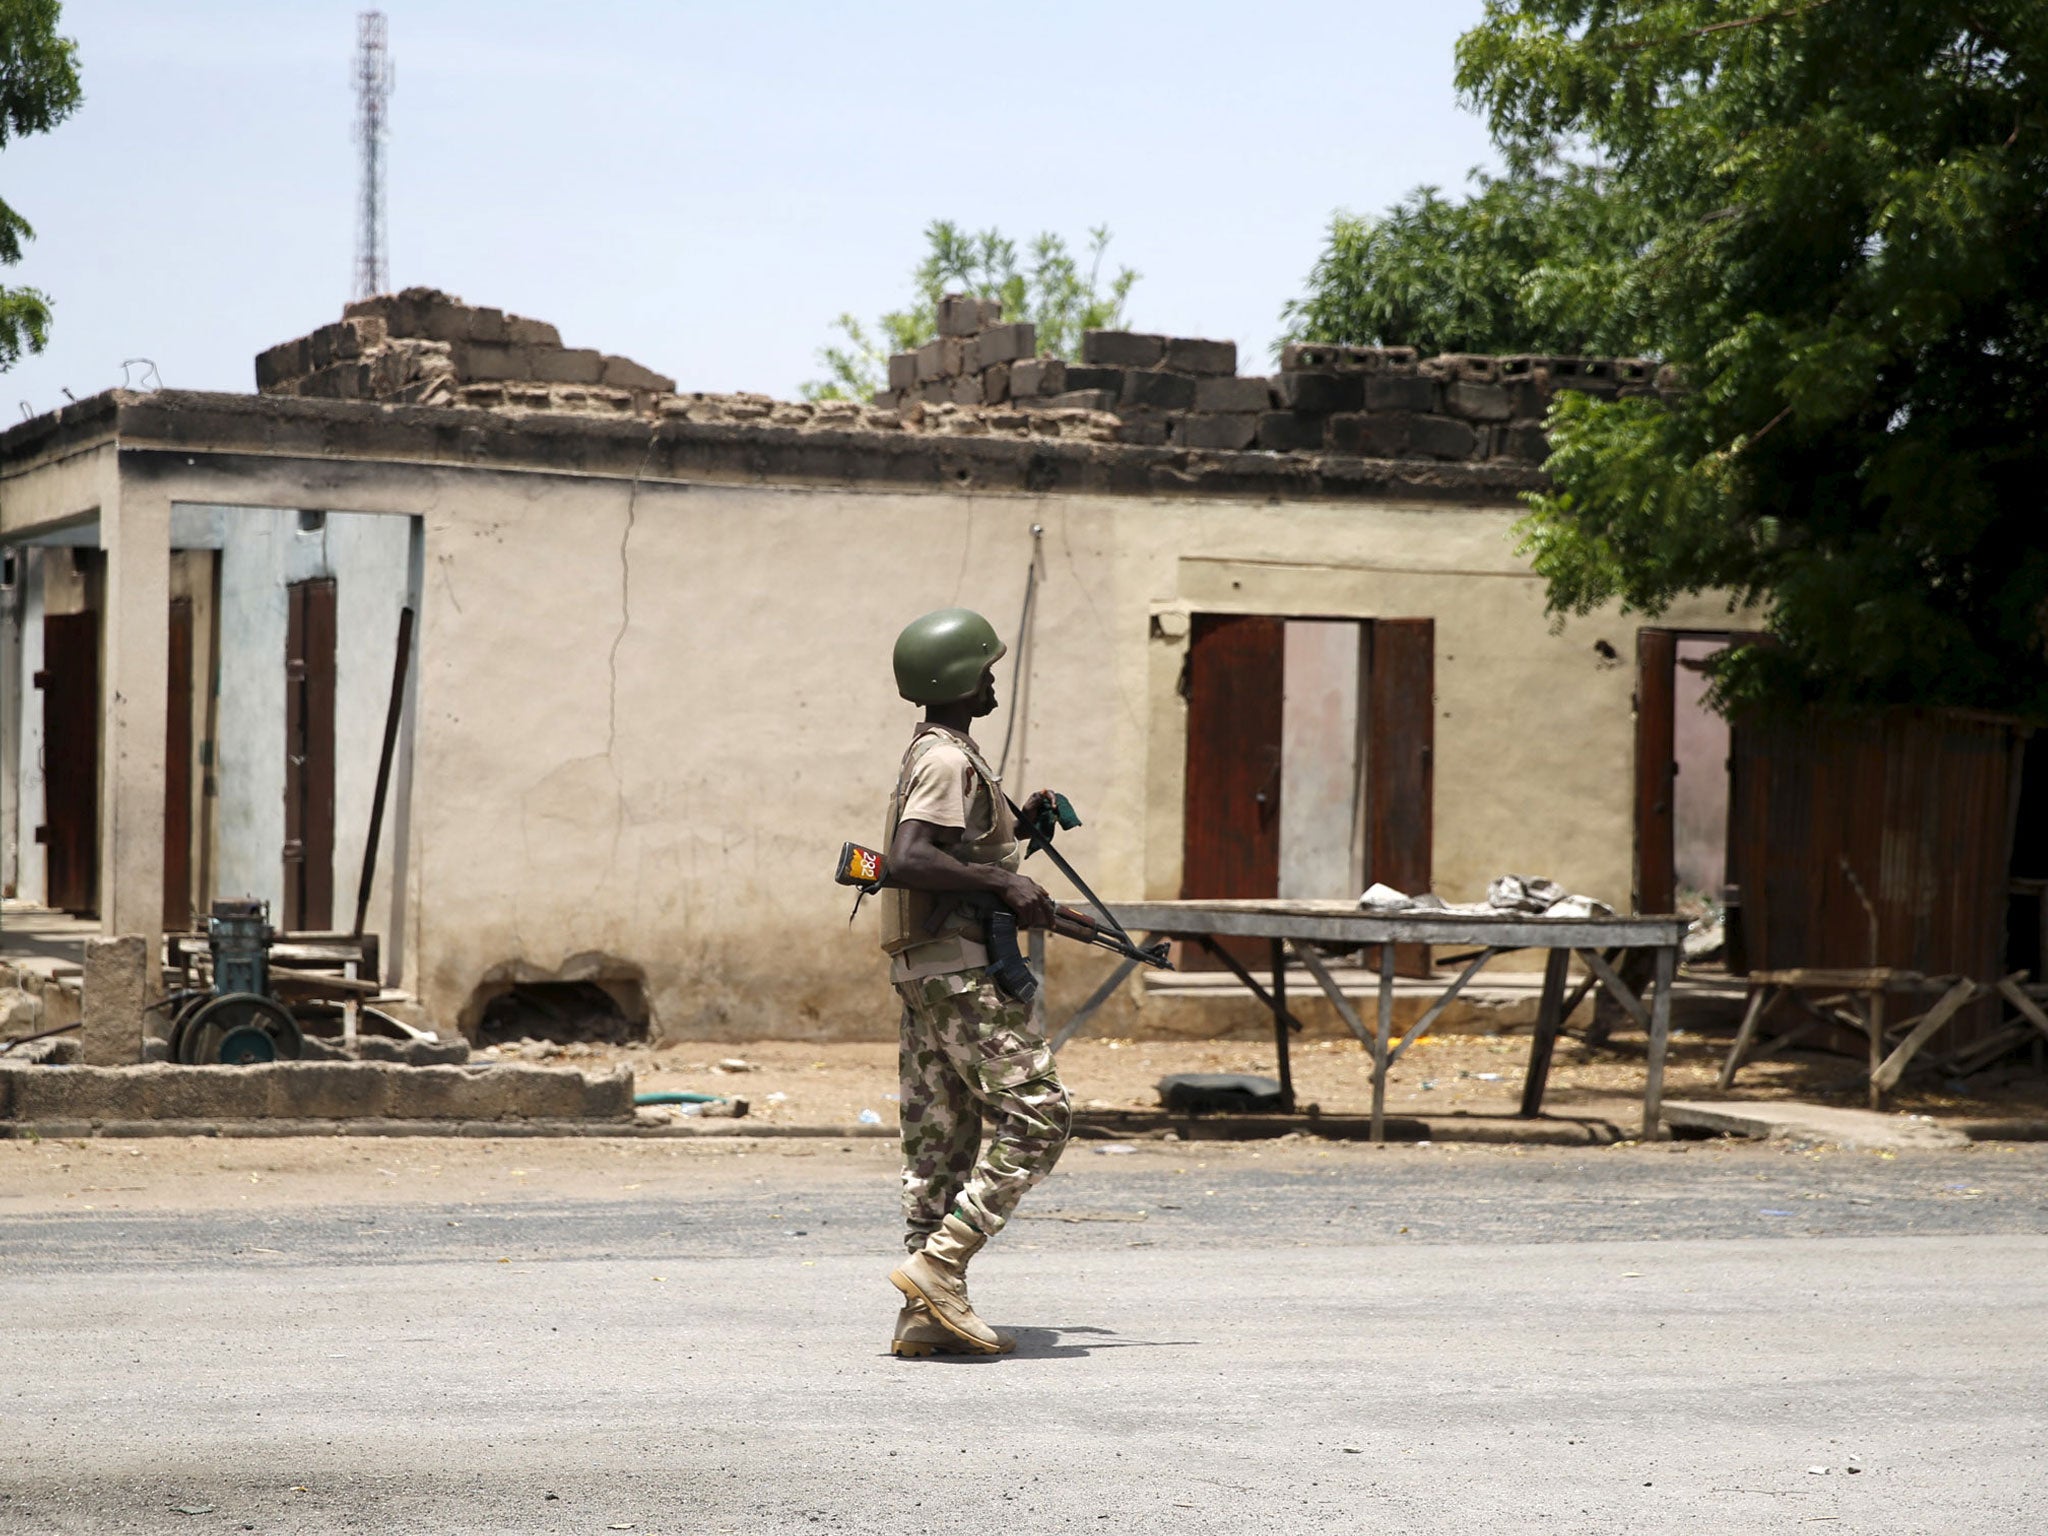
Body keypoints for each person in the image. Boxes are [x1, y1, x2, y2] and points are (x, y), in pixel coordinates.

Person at [878, 606, 1073, 1357]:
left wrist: (1019, 831)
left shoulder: (945, 752)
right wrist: (1007, 886)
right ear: (958, 676)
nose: (993, 678)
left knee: (941, 1139)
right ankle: (941, 1263)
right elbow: (910, 857)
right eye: (985, 668)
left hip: (927, 969)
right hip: (959, 972)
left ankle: (927, 1316)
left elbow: (950, 847)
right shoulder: (945, 759)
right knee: (1040, 1111)